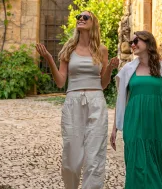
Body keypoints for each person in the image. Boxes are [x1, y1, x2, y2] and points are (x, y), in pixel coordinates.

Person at [36, 11, 111, 189]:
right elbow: (61, 82)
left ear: (94, 24)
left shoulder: (102, 49)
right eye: (79, 17)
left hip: (96, 101)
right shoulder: (68, 49)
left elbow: (104, 83)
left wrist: (110, 69)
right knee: (71, 157)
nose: (81, 19)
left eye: (86, 17)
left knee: (95, 156)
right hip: (73, 102)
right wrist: (48, 58)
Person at [108, 30, 162, 189]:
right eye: (131, 42)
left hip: (157, 126)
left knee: (157, 168)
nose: (132, 45)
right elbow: (121, 100)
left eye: (136, 41)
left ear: (148, 42)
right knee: (139, 169)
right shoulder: (127, 70)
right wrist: (114, 128)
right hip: (135, 125)